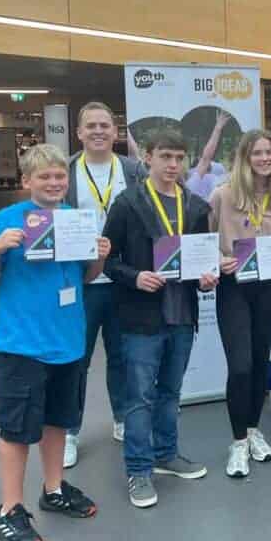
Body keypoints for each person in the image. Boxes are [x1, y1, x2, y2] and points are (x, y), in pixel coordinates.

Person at [0, 144, 110, 541]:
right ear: (26, 181)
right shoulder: (7, 219)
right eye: (43, 177)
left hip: (68, 341)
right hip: (23, 345)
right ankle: (9, 509)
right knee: (16, 429)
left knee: (58, 421)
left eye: (59, 176)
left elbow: (86, 277)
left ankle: (53, 489)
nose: (53, 183)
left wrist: (99, 255)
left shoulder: (76, 219)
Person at [102, 129, 217, 508]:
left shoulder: (197, 207)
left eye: (179, 158)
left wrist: (205, 279)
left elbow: (201, 262)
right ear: (147, 158)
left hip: (182, 316)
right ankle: (138, 469)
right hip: (140, 318)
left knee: (170, 392)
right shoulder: (128, 204)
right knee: (138, 397)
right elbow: (109, 259)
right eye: (165, 156)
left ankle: (166, 454)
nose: (172, 165)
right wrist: (135, 277)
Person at [209, 129, 271, 478]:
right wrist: (219, 259)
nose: (264, 159)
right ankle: (237, 443)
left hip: (268, 287)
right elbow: (204, 240)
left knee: (260, 361)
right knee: (241, 365)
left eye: (270, 153)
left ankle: (252, 430)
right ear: (245, 158)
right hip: (234, 288)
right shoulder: (223, 195)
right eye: (257, 153)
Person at [63, 101, 143, 470]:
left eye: (105, 125)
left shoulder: (133, 169)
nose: (98, 131)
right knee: (75, 360)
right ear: (79, 133)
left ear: (116, 132)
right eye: (90, 126)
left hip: (123, 280)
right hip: (81, 282)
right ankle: (68, 432)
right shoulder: (64, 172)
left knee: (122, 357)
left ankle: (124, 418)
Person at [186, 109, 232, 201]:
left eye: (179, 158)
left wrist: (218, 128)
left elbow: (206, 158)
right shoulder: (189, 184)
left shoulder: (191, 184)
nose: (174, 165)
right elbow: (205, 159)